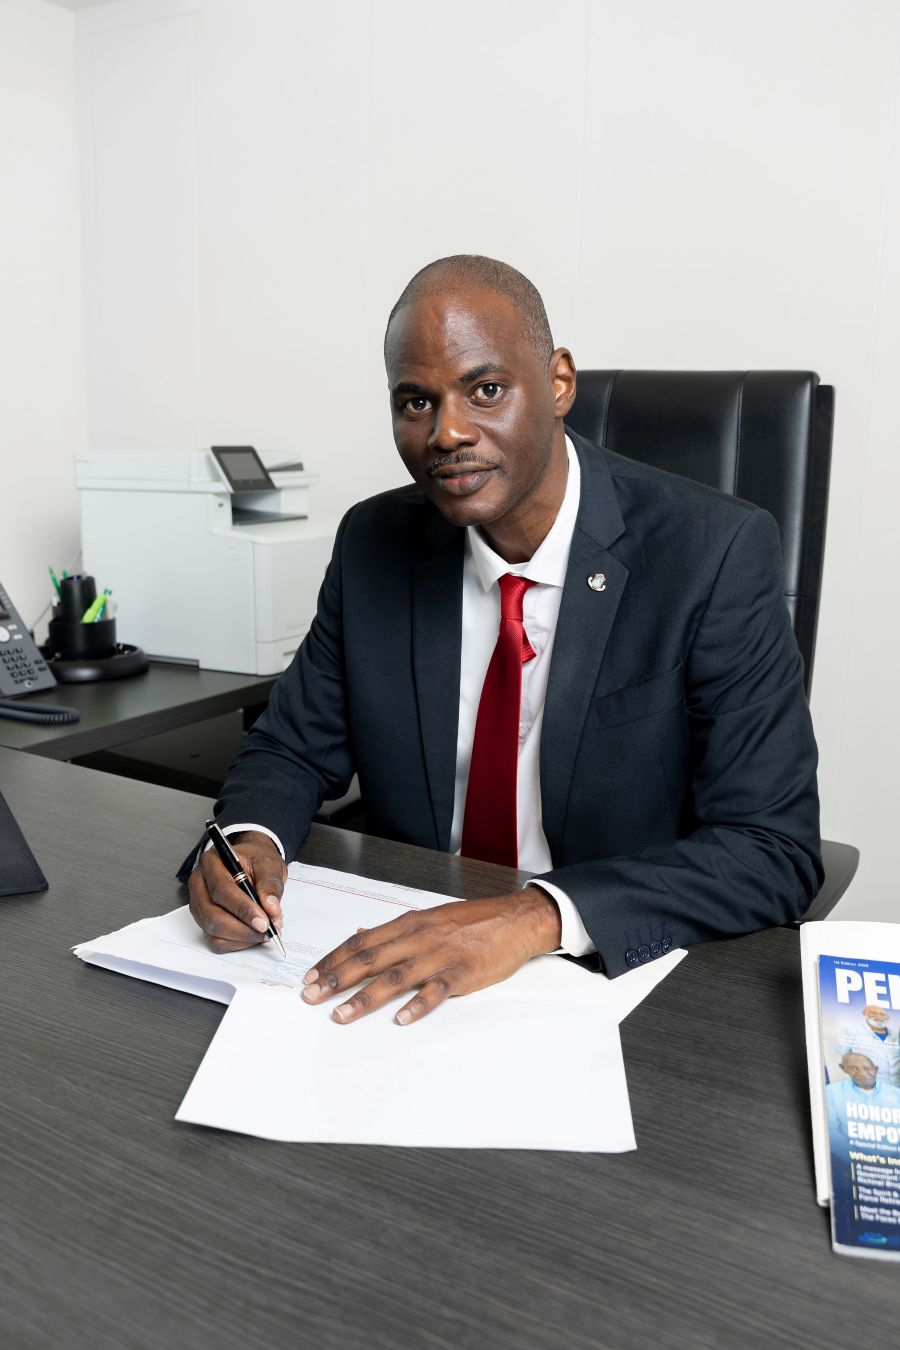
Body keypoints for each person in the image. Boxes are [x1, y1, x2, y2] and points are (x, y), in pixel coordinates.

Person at [182, 254, 822, 1025]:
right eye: (416, 402)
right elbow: (291, 747)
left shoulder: (712, 553)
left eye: (485, 390)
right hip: (407, 961)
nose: (448, 432)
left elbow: (771, 849)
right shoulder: (373, 542)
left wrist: (533, 916)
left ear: (559, 382)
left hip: (609, 976)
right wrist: (247, 842)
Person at [826, 1053, 900, 1150]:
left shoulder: (896, 1094)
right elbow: (832, 1133)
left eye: (867, 1068)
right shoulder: (831, 1092)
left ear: (876, 1069)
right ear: (844, 1068)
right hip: (849, 1156)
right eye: (853, 1068)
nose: (862, 1073)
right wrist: (860, 1155)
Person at [835, 1005, 900, 1087]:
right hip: (869, 1086)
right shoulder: (851, 1031)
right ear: (864, 1013)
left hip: (897, 1086)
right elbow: (844, 1055)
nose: (879, 1016)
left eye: (882, 1014)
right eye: (873, 1013)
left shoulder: (896, 1034)